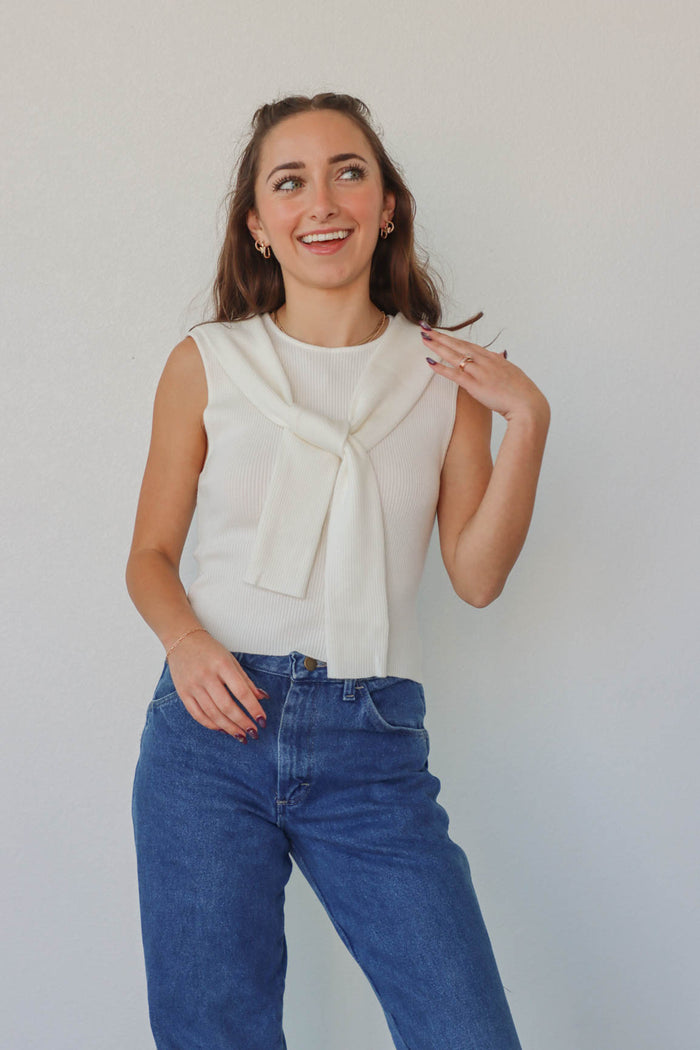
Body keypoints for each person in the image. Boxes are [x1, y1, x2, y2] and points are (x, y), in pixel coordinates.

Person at [127, 91, 550, 1050]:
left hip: (374, 743)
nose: (322, 201)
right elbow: (148, 557)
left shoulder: (446, 380)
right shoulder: (208, 363)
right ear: (259, 225)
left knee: (465, 1032)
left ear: (387, 204)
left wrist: (530, 421)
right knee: (215, 1036)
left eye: (347, 172)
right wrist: (186, 643)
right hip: (209, 733)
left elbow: (476, 578)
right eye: (291, 181)